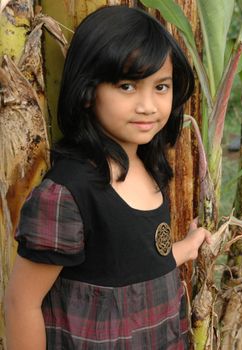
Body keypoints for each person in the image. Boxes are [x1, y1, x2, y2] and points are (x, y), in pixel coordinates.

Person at [4, 5, 211, 349]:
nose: (148, 105)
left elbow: (128, 266)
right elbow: (22, 303)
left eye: (161, 87)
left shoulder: (151, 168)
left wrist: (182, 250)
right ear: (88, 92)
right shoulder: (68, 193)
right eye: (127, 86)